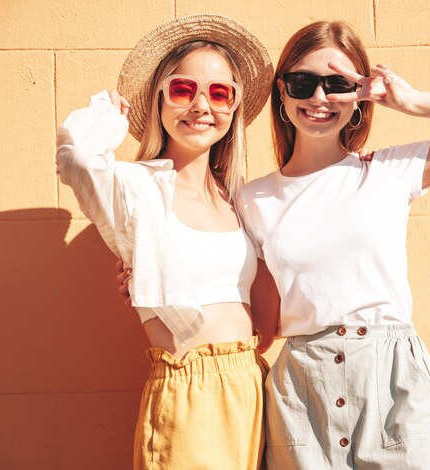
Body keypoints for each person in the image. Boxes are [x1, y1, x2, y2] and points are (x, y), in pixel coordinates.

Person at [235, 21, 430, 469]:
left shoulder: (388, 171)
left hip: (393, 379)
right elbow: (260, 320)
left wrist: (413, 102)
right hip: (302, 391)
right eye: (302, 82)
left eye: (338, 83)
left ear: (360, 95)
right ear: (282, 92)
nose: (319, 98)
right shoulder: (252, 198)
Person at [56, 14, 273, 469]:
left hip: (252, 386)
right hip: (187, 392)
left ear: (233, 108)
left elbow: (263, 314)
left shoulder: (239, 199)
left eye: (219, 93)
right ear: (158, 100)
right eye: (181, 89)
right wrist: (109, 115)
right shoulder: (136, 190)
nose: (200, 105)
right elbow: (76, 156)